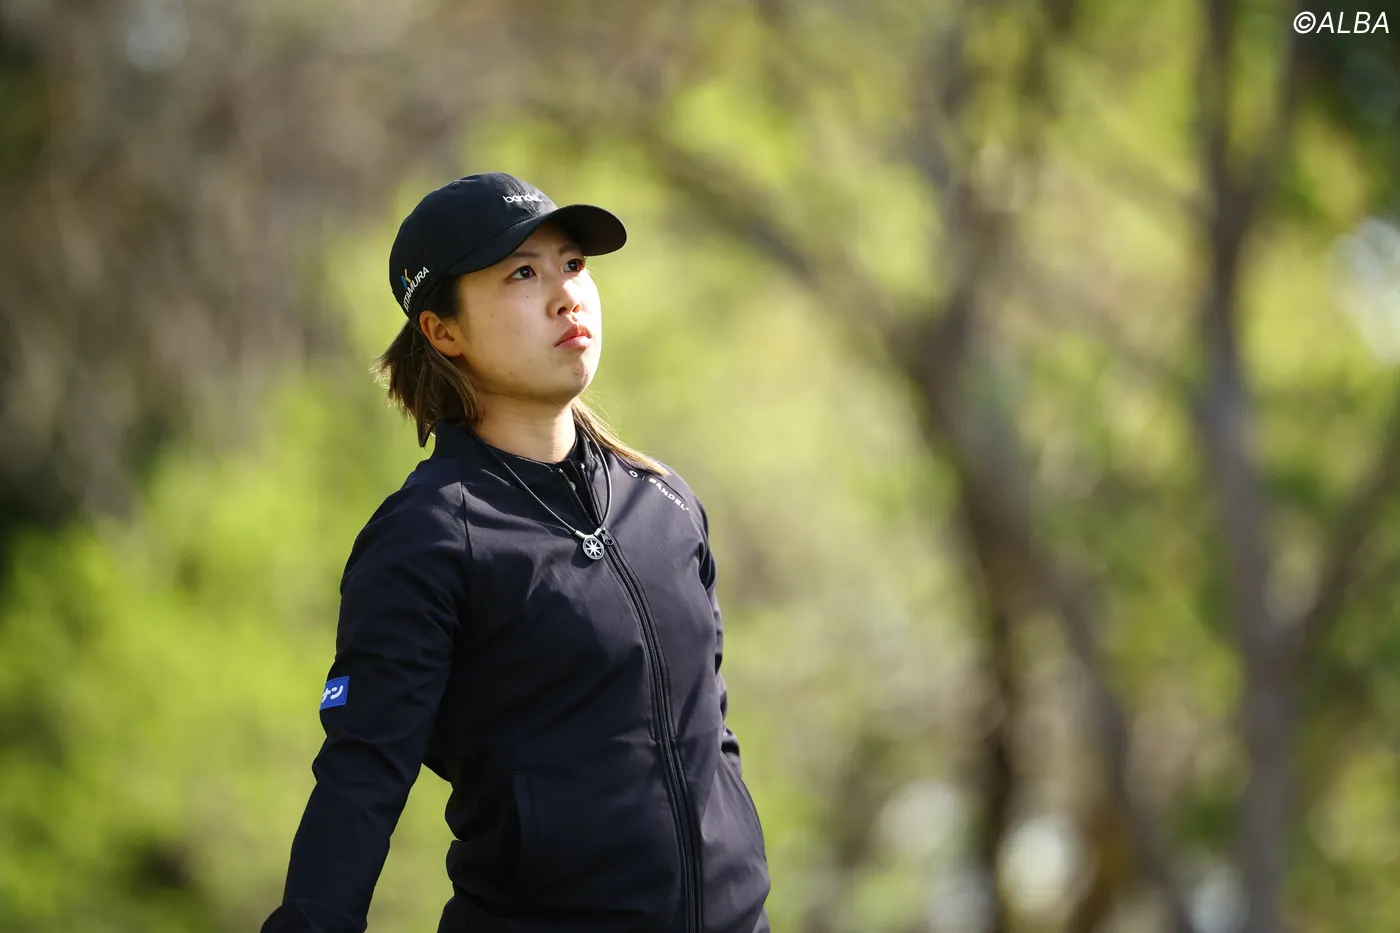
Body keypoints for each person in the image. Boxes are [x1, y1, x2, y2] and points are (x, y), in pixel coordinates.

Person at [261, 172, 771, 933]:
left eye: (573, 264)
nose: (567, 296)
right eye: (522, 274)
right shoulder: (427, 536)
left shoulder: (664, 503)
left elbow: (709, 741)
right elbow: (361, 779)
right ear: (444, 331)